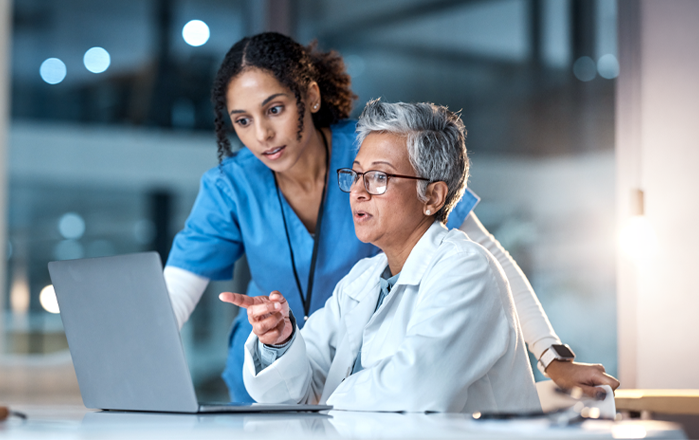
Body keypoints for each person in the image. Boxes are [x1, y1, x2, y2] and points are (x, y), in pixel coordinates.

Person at [164, 32, 618, 402]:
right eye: (242, 121)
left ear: (311, 97)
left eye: (275, 110)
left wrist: (551, 355)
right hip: (295, 372)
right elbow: (171, 301)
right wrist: (277, 341)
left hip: (365, 386)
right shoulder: (234, 186)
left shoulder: (375, 153)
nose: (261, 135)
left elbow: (488, 256)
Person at [221, 99, 541, 412]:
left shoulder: (466, 269)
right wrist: (280, 343)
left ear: (432, 196)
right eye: (357, 174)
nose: (358, 191)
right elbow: (298, 387)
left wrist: (324, 403)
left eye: (378, 177)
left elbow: (416, 390)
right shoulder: (364, 277)